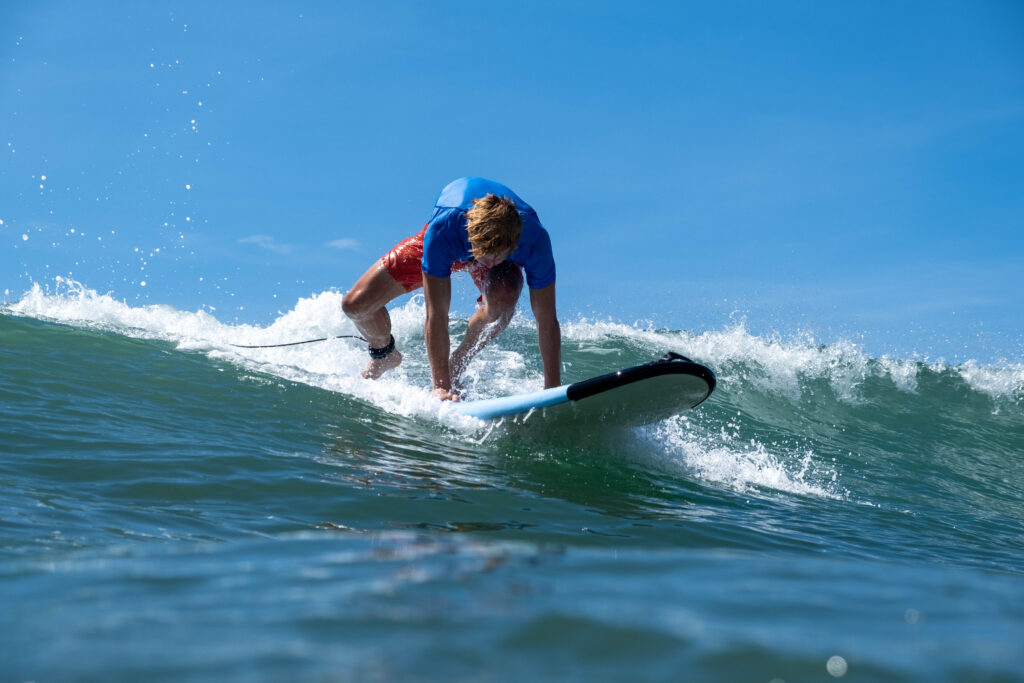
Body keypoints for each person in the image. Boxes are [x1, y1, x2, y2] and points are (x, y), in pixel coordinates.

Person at [342, 177, 560, 401]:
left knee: (504, 294)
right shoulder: (443, 232)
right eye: (484, 254)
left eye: (498, 256)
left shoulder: (534, 241)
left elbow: (547, 319)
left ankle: (458, 361)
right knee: (355, 305)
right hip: (453, 235)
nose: (489, 262)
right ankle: (384, 354)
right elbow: (436, 314)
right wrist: (441, 388)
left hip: (499, 239)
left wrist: (553, 391)